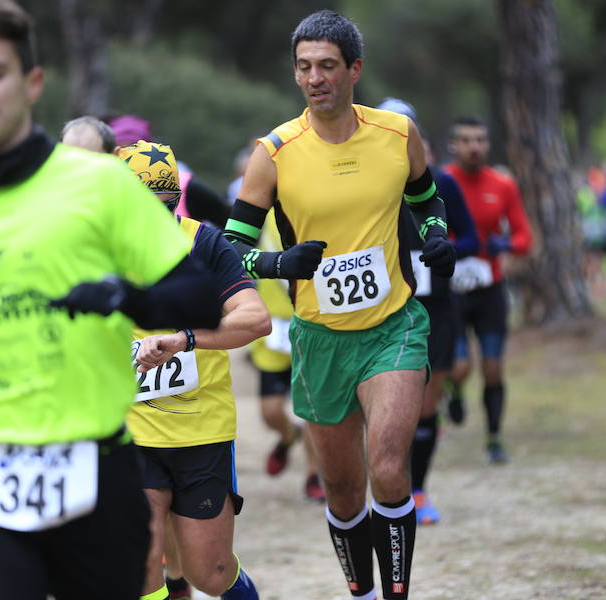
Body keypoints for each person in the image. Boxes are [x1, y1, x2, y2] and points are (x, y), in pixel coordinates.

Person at [0, 2, 225, 598]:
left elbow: (200, 297)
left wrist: (123, 294)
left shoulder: (103, 185)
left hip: (94, 463)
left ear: (32, 83)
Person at [224, 11, 455, 600]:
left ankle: (394, 594)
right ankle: (363, 590)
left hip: (393, 326)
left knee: (387, 470)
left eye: (327, 65)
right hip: (319, 336)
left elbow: (428, 199)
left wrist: (434, 235)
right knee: (345, 490)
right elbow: (229, 250)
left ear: (355, 69)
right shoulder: (274, 153)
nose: (314, 78)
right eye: (304, 67)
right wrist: (279, 265)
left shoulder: (398, 134)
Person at [120, 140, 267, 600]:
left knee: (211, 574)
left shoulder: (203, 243)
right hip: (132, 431)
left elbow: (255, 318)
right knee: (141, 565)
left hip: (200, 430)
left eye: (165, 207)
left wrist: (183, 339)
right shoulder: (97, 249)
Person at [376, 97, 479, 525]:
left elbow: (471, 237)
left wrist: (445, 251)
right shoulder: (367, 185)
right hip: (382, 308)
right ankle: (388, 485)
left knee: (425, 404)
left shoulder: (441, 183)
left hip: (435, 306)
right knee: (385, 409)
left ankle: (416, 490)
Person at [443, 115, 532, 464]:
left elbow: (525, 237)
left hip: (490, 288)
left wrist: (506, 244)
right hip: (452, 289)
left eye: (480, 140)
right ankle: (453, 391)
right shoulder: (443, 181)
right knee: (460, 366)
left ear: (487, 145)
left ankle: (494, 437)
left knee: (493, 368)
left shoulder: (503, 185)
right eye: (466, 140)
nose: (474, 147)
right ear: (454, 145)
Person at [247, 211, 324, 501]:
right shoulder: (259, 207)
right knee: (270, 411)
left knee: (312, 409)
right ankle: (287, 436)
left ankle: (314, 474)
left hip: (311, 321)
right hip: (273, 324)